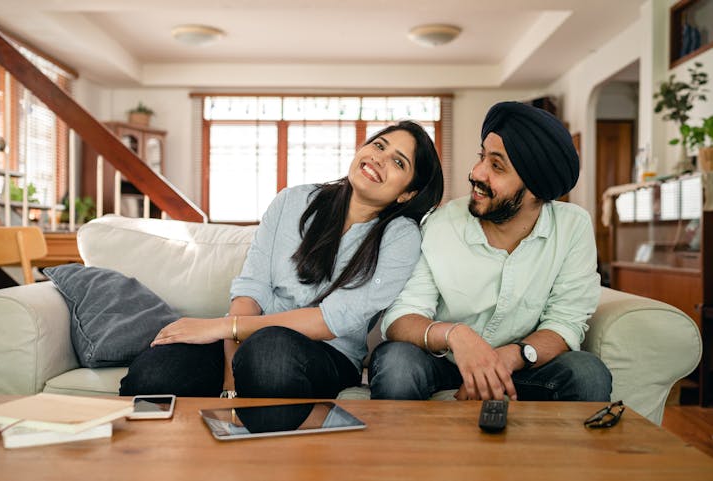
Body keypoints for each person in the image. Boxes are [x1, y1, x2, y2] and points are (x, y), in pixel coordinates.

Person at [119, 120, 444, 399]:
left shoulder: (401, 237)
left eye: (398, 162)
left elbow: (331, 321)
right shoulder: (293, 201)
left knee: (270, 353)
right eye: (379, 145)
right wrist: (231, 377)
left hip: (325, 355)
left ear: (408, 194)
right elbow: (252, 289)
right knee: (153, 373)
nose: (379, 158)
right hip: (246, 340)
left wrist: (220, 327)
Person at [369, 101, 612, 403]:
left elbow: (565, 322)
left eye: (496, 166)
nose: (476, 172)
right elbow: (403, 316)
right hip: (443, 361)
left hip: (521, 365)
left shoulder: (572, 227)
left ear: (536, 188)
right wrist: (457, 336)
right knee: (397, 364)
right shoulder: (441, 224)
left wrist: (505, 360)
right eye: (482, 156)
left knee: (588, 374)